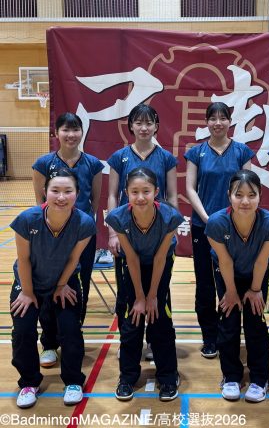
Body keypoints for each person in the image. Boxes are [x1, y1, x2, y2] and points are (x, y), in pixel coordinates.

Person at [10, 168, 96, 408]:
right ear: (44, 192)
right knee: (23, 330)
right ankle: (29, 382)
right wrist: (28, 293)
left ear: (77, 193)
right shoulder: (27, 220)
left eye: (68, 191)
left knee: (70, 329)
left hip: (64, 281)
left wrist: (61, 285)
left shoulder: (84, 223)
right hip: (29, 282)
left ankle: (73, 381)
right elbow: (23, 260)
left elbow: (74, 259)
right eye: (55, 190)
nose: (61, 197)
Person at [205, 170, 269, 402]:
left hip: (256, 275)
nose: (245, 201)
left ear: (260, 196)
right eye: (238, 195)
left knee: (255, 322)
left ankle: (260, 378)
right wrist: (230, 292)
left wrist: (256, 290)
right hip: (227, 273)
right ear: (229, 196)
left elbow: (261, 261)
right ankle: (231, 376)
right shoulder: (216, 223)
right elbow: (225, 261)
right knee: (228, 322)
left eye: (252, 195)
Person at [32, 112, 103, 368]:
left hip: (82, 235)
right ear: (56, 133)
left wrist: (83, 226)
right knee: (49, 285)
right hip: (51, 237)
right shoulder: (43, 163)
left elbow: (95, 201)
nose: (70, 135)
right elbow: (40, 202)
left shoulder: (93, 164)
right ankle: (49, 342)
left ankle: (72, 333)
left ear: (82, 132)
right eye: (65, 129)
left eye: (75, 130)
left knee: (79, 285)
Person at [105, 167, 183, 402]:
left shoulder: (169, 217)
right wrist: (139, 298)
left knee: (160, 319)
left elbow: (160, 258)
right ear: (126, 193)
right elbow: (131, 258)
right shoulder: (118, 217)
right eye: (134, 192)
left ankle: (168, 376)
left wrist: (152, 297)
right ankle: (127, 377)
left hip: (160, 264)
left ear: (156, 192)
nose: (140, 197)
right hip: (133, 265)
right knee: (132, 321)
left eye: (146, 191)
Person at [107, 103, 177, 360]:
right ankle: (128, 340)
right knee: (126, 292)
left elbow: (171, 196)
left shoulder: (166, 157)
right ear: (131, 126)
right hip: (128, 233)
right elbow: (112, 195)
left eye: (149, 123)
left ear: (156, 126)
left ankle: (153, 342)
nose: (144, 128)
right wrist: (113, 233)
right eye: (138, 122)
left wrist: (171, 228)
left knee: (159, 290)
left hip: (158, 232)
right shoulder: (119, 156)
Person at [185, 102, 255, 359]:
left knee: (230, 281)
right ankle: (209, 336)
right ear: (206, 122)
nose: (217, 123)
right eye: (212, 118)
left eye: (222, 118)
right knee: (205, 282)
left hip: (235, 227)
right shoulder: (196, 152)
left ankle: (229, 334)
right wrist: (207, 218)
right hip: (203, 226)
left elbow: (249, 188)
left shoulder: (242, 151)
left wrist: (235, 217)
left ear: (229, 121)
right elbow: (190, 188)